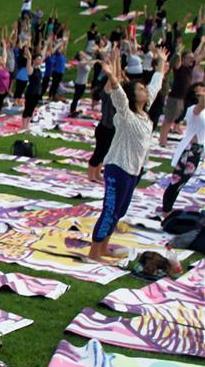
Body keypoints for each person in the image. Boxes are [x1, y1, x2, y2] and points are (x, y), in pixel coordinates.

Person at [88, 48, 166, 262]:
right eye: (140, 88)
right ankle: (94, 253)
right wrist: (112, 76)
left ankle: (104, 247)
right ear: (134, 95)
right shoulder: (126, 114)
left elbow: (156, 85)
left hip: (134, 170)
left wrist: (161, 62)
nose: (145, 90)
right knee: (110, 210)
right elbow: (119, 96)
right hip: (118, 168)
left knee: (119, 212)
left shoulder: (144, 113)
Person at [163, 84, 204, 214]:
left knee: (181, 181)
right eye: (201, 91)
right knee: (176, 180)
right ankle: (166, 209)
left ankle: (168, 207)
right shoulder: (193, 109)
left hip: (197, 150)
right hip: (189, 150)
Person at [22, 49, 44, 130]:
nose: (40, 60)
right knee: (27, 109)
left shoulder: (39, 69)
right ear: (34, 60)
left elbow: (43, 54)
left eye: (40, 59)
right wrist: (29, 57)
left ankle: (27, 125)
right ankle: (23, 125)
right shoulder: (31, 70)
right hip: (30, 92)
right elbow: (28, 63)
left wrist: (46, 44)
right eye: (38, 59)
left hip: (37, 93)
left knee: (31, 110)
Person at [70, 51, 92, 116]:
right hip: (79, 83)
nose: (84, 54)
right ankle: (72, 111)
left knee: (78, 97)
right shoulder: (80, 63)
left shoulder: (84, 62)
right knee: (76, 97)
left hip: (83, 83)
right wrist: (94, 60)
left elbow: (89, 61)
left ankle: (73, 109)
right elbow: (87, 62)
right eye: (82, 53)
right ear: (80, 56)